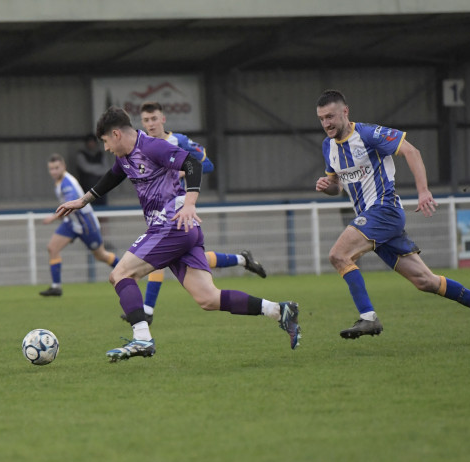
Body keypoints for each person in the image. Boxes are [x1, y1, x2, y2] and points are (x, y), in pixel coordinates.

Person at [56, 106, 300, 361]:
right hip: (182, 230)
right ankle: (279, 310)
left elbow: (193, 163)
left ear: (116, 134)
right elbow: (112, 177)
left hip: (171, 224)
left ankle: (142, 338)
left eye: (106, 142)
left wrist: (191, 203)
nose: (106, 148)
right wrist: (82, 200)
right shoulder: (124, 158)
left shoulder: (151, 147)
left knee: (120, 274)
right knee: (208, 298)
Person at [313, 90, 470, 344]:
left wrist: (424, 191)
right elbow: (336, 185)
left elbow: (411, 152)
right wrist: (325, 186)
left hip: (384, 210)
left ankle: (368, 316)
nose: (326, 123)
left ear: (345, 112)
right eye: (321, 119)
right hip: (373, 221)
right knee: (425, 281)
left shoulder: (368, 134)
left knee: (338, 255)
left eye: (330, 116)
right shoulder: (328, 146)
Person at [119, 100, 267, 324]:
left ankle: (147, 309)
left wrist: (180, 173)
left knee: (157, 258)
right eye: (146, 120)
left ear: (163, 119)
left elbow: (206, 165)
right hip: (159, 212)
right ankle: (241, 259)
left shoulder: (178, 141)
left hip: (180, 208)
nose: (150, 124)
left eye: (154, 119)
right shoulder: (141, 146)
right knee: (190, 260)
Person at [39, 153, 119, 296]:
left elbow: (69, 207)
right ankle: (56, 287)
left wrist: (52, 217)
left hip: (86, 223)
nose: (54, 171)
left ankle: (125, 271)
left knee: (101, 255)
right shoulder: (59, 182)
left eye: (57, 168)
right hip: (71, 223)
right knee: (52, 247)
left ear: (64, 166)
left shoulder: (67, 183)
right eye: (51, 169)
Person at [75, 133, 108, 202]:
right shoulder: (81, 154)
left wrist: (95, 170)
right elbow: (86, 168)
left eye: (93, 142)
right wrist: (99, 168)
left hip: (101, 185)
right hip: (86, 186)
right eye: (89, 142)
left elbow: (106, 169)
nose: (91, 144)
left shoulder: (100, 154)